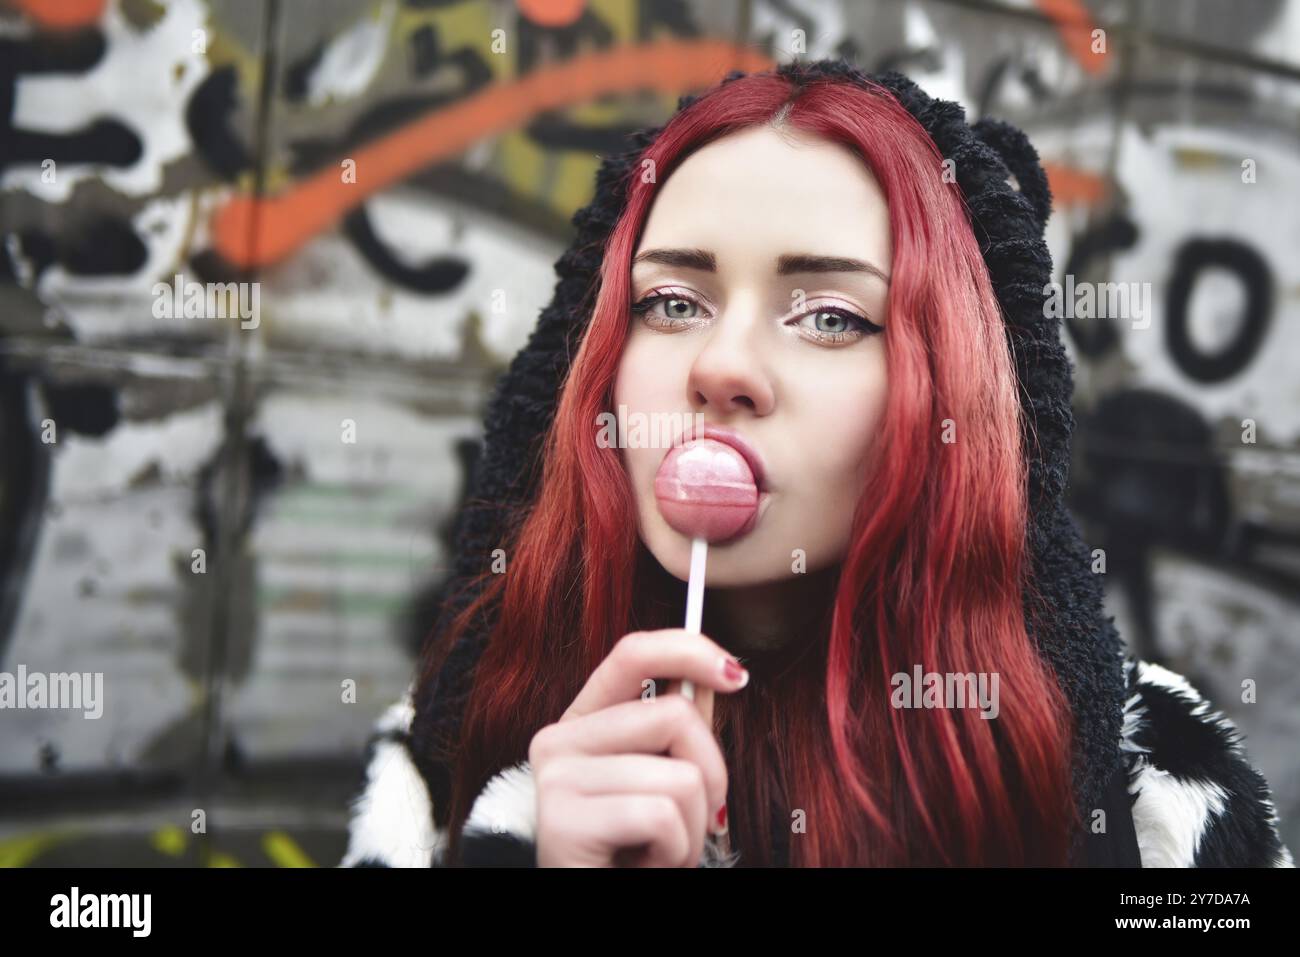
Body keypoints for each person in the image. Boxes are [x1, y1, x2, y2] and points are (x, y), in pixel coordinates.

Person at [339, 60, 1293, 868]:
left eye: (831, 315)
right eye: (673, 301)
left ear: (949, 384)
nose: (720, 367)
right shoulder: (459, 757)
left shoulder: (1145, 791)